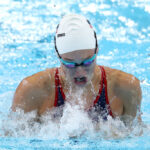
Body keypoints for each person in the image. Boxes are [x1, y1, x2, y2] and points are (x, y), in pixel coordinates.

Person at [11, 14, 142, 124]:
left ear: (97, 50)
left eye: (88, 62)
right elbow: (12, 139)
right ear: (58, 55)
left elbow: (136, 136)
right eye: (70, 64)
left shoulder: (126, 88)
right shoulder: (32, 91)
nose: (80, 72)